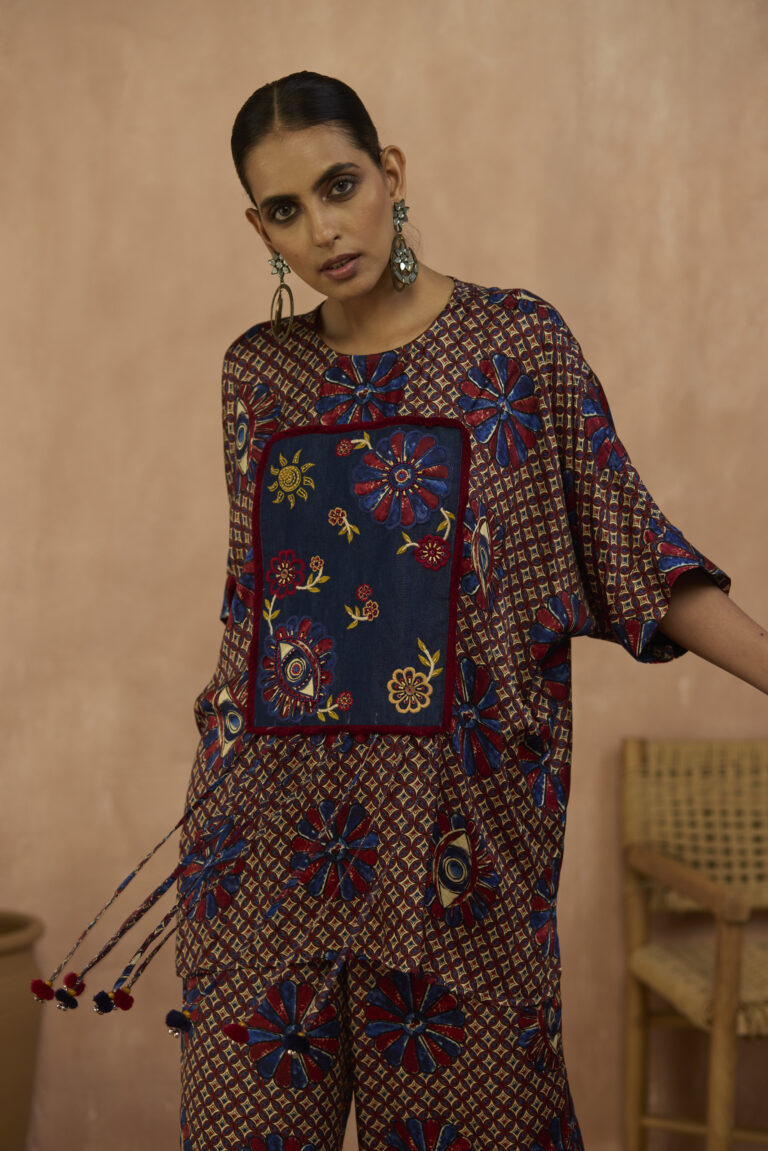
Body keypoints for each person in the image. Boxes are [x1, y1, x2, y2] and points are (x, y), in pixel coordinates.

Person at [34, 71, 768, 1151]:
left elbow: (635, 555)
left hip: (459, 855)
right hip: (268, 852)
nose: (323, 228)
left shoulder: (516, 348)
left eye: (340, 185)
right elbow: (259, 615)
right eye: (286, 209)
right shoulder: (257, 378)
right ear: (258, 229)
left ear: (391, 173)